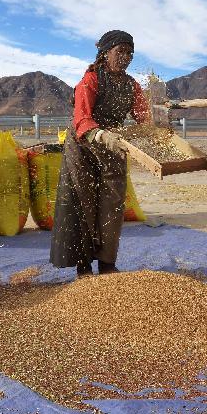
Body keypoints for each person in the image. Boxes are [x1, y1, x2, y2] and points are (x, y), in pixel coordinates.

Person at [50, 30, 150, 277]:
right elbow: (81, 118)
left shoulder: (132, 86)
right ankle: (83, 265)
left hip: (113, 146)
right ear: (106, 53)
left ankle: (107, 263)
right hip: (83, 146)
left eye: (130, 53)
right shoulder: (91, 80)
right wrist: (99, 134)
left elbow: (144, 117)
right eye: (120, 52)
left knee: (113, 204)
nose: (125, 58)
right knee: (84, 201)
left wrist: (158, 122)